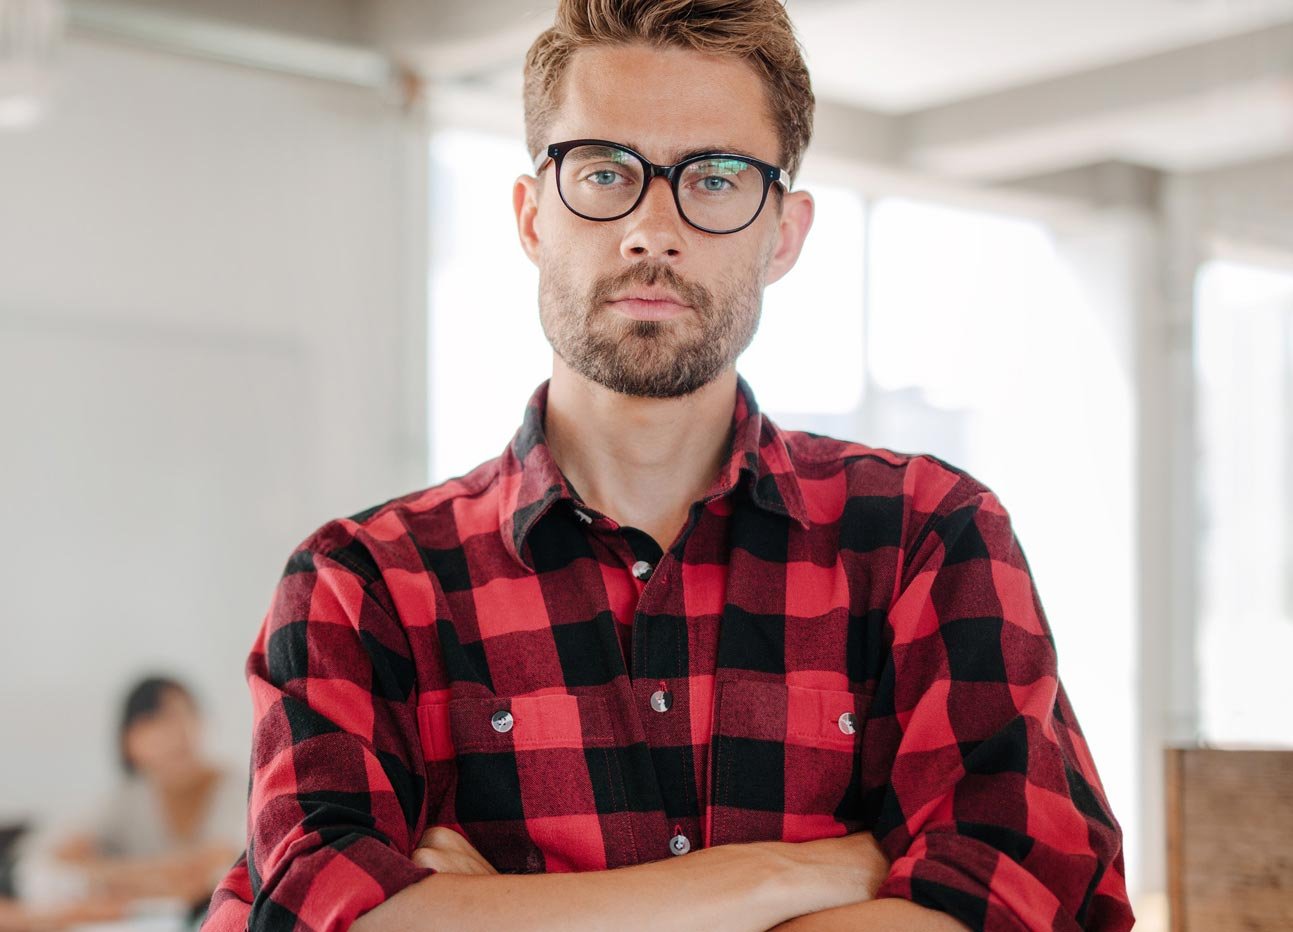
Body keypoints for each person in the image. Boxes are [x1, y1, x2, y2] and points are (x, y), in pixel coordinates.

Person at [203, 1, 1134, 929]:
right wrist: (776, 881)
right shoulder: (361, 583)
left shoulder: (923, 535)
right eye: (604, 173)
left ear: (785, 233)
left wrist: (494, 911)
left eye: (717, 178)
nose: (652, 230)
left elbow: (1020, 892)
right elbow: (315, 908)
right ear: (531, 218)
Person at [41, 676, 243, 911]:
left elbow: (208, 874)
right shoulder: (128, 798)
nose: (180, 731)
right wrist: (162, 878)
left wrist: (112, 879)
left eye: (187, 713)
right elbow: (51, 864)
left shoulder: (237, 789)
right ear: (129, 742)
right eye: (158, 720)